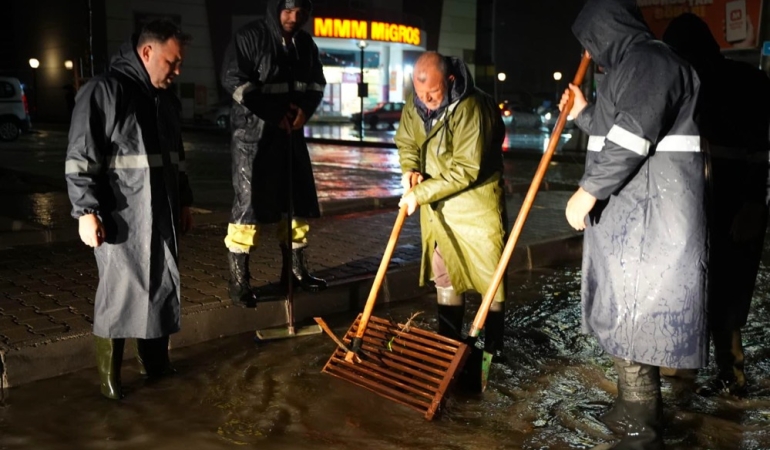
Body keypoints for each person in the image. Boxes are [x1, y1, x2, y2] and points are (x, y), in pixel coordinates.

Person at [559, 0, 708, 448]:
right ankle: (632, 409)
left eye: (591, 40)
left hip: (651, 226)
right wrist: (584, 111)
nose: (590, 51)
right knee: (627, 325)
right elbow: (614, 129)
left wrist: (585, 192)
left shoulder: (650, 61)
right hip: (635, 225)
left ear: (606, 30)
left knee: (639, 327)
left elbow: (630, 137)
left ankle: (641, 428)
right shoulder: (631, 68)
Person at [65, 19, 193, 400]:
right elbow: (81, 156)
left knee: (161, 285)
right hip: (121, 214)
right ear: (147, 52)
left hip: (162, 210)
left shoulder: (164, 98)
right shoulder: (104, 90)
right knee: (120, 292)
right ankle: (110, 376)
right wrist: (85, 212)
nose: (177, 70)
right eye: (172, 62)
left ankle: (154, 363)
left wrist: (184, 200)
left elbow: (176, 157)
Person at [663, 13, 770, 397]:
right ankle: (721, 377)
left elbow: (760, 152)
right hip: (711, 203)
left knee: (718, 288)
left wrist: (753, 204)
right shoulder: (744, 80)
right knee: (722, 288)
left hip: (723, 203)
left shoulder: (727, 83)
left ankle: (715, 377)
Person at [395, 51, 507, 359]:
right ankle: (448, 348)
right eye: (420, 94)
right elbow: (407, 141)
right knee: (445, 274)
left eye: (432, 93)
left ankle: (493, 350)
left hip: (476, 207)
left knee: (490, 277)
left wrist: (420, 194)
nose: (426, 100)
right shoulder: (414, 104)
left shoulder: (473, 107)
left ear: (451, 80)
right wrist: (410, 168)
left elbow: (466, 169)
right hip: (438, 211)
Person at [220, 0, 327, 307]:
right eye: (288, 10)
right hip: (252, 138)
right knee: (248, 206)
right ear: (275, 8)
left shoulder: (305, 44)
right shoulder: (249, 37)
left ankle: (294, 271)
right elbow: (233, 80)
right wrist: (273, 112)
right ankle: (239, 281)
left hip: (289, 135)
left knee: (294, 202)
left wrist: (304, 111)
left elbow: (316, 83)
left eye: (301, 11)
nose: (294, 18)